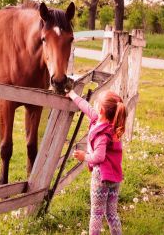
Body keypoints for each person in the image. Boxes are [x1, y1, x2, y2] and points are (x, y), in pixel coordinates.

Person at [66, 89, 126, 235]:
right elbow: (86, 107)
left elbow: (99, 157)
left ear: (101, 110)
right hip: (115, 177)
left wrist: (84, 156)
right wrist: (72, 94)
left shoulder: (102, 135)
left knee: (96, 213)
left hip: (101, 177)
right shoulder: (108, 124)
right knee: (111, 213)